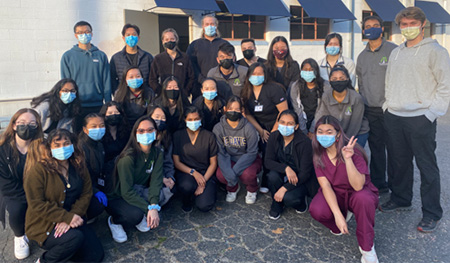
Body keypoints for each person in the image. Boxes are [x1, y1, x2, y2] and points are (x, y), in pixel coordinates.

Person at [379, 7, 450, 233]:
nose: (408, 28)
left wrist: (431, 113)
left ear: (422, 25)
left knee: (426, 166)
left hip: (420, 118)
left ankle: (431, 213)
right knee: (399, 163)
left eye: (412, 23)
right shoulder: (396, 52)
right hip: (395, 116)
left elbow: (444, 86)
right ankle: (401, 198)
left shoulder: (435, 52)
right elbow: (389, 81)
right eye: (404, 24)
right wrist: (387, 106)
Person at [24, 129, 104, 262]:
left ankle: (68, 250)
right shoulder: (38, 170)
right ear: (50, 148)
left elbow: (86, 193)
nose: (63, 148)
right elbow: (36, 204)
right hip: (46, 223)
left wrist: (73, 215)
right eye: (57, 145)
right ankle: (44, 260)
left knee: (95, 256)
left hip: (73, 215)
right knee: (75, 238)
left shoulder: (78, 164)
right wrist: (66, 217)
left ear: (73, 144)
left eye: (66, 143)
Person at [309, 115, 379, 263]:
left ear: (338, 134)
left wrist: (348, 159)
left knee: (364, 199)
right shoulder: (318, 155)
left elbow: (358, 185)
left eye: (329, 132)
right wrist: (337, 216)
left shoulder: (353, 151)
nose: (323, 135)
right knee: (317, 209)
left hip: (356, 193)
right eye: (320, 131)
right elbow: (325, 185)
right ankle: (340, 219)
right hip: (336, 193)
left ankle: (367, 249)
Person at [356, 16, 397, 193]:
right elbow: (361, 82)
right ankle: (380, 184)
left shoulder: (393, 51)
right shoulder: (362, 56)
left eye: (375, 26)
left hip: (391, 109)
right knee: (377, 148)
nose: (371, 29)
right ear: (363, 31)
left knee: (395, 149)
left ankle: (397, 188)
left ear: (382, 28)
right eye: (367, 27)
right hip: (370, 109)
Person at [106, 116, 164, 243]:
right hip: (118, 196)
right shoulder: (128, 158)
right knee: (135, 216)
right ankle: (114, 221)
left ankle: (143, 209)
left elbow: (156, 180)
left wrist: (154, 205)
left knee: (160, 196)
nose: (146, 134)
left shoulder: (158, 153)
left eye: (150, 130)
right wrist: (149, 208)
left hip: (137, 189)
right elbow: (126, 192)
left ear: (156, 133)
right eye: (141, 131)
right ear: (135, 134)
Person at [0, 109, 43, 260]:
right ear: (13, 125)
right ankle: (19, 236)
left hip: (37, 189)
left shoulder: (42, 147)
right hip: (14, 192)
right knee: (17, 209)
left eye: (32, 124)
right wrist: (27, 198)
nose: (27, 127)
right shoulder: (3, 150)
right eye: (22, 123)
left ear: (37, 126)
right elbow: (5, 183)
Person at [241, 62, 288, 193]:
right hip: (256, 125)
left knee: (269, 148)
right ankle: (250, 177)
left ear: (265, 75)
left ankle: (267, 180)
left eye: (259, 73)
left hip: (276, 124)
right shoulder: (246, 90)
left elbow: (283, 112)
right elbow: (248, 114)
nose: (256, 76)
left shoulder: (274, 88)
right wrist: (260, 130)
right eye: (253, 74)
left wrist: (273, 131)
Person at [265, 110, 316, 219]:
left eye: (290, 123)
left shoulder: (304, 142)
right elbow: (268, 161)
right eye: (282, 122)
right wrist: (286, 168)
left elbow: (305, 173)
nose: (285, 126)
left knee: (290, 198)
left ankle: (301, 203)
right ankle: (276, 204)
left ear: (296, 126)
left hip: (300, 179)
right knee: (272, 176)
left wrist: (284, 188)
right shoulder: (274, 136)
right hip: (283, 173)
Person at [213, 95, 262, 204]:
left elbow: (252, 152)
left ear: (241, 111)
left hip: (249, 158)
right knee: (221, 175)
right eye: (230, 109)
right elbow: (221, 152)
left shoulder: (249, 128)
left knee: (247, 175)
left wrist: (234, 171)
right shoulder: (218, 128)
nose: (233, 112)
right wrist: (228, 172)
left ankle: (252, 189)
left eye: (237, 109)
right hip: (229, 158)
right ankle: (233, 188)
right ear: (225, 109)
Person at [60, 21, 111, 122]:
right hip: (76, 105)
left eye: (87, 32)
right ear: (76, 35)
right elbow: (65, 83)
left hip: (98, 105)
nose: (84, 35)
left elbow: (106, 81)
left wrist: (108, 104)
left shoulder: (101, 56)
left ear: (91, 34)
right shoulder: (68, 56)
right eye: (80, 33)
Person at [173, 106, 218, 212]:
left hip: (205, 173)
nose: (193, 122)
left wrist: (203, 181)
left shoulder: (209, 136)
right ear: (185, 120)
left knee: (204, 205)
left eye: (196, 119)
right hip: (186, 172)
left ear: (201, 119)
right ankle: (187, 199)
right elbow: (177, 162)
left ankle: (204, 193)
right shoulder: (178, 135)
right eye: (190, 120)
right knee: (186, 186)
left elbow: (213, 163)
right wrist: (193, 172)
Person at [312, 66, 369, 147]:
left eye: (341, 79)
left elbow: (355, 124)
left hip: (357, 132)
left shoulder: (356, 98)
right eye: (334, 79)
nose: (338, 81)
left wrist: (343, 141)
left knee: (352, 155)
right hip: (335, 132)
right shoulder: (326, 96)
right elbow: (321, 117)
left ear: (347, 79)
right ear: (329, 81)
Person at [186, 15, 230, 99]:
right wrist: (202, 80)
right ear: (203, 26)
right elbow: (191, 65)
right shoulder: (194, 45)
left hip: (220, 84)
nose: (210, 26)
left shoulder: (224, 44)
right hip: (199, 86)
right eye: (207, 24)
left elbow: (230, 63)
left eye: (212, 24)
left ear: (216, 26)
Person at [149, 28, 195, 97]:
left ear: (176, 40)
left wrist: (185, 91)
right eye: (166, 39)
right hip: (164, 97)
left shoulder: (185, 58)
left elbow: (191, 77)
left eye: (172, 39)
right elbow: (152, 79)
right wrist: (161, 92)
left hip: (181, 97)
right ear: (163, 41)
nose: (169, 41)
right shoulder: (158, 59)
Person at [78, 114, 107, 220]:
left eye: (102, 125)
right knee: (98, 206)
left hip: (96, 182)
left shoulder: (99, 144)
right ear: (85, 130)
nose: (98, 129)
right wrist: (95, 191)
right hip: (84, 188)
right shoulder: (81, 148)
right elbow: (81, 176)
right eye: (93, 126)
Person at [110, 24, 154, 94]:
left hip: (144, 96)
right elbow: (112, 79)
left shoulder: (147, 57)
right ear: (123, 38)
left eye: (134, 35)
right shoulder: (116, 58)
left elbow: (152, 78)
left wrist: (150, 93)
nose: (131, 37)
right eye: (128, 35)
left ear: (138, 37)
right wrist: (117, 93)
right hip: (123, 96)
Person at [290, 58, 331, 132]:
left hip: (320, 121)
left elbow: (322, 110)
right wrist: (303, 130)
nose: (308, 72)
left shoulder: (326, 86)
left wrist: (312, 130)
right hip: (302, 121)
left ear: (316, 71)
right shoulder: (296, 86)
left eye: (311, 70)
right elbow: (297, 109)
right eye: (305, 69)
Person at [148, 105, 176, 206]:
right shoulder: (144, 137)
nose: (159, 120)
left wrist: (170, 177)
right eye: (156, 117)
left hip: (163, 174)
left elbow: (169, 162)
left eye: (163, 118)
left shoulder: (166, 137)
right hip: (147, 176)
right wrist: (161, 178)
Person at [99, 101, 130, 168]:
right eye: (110, 113)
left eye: (116, 112)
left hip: (123, 165)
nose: (113, 115)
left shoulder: (126, 131)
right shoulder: (100, 133)